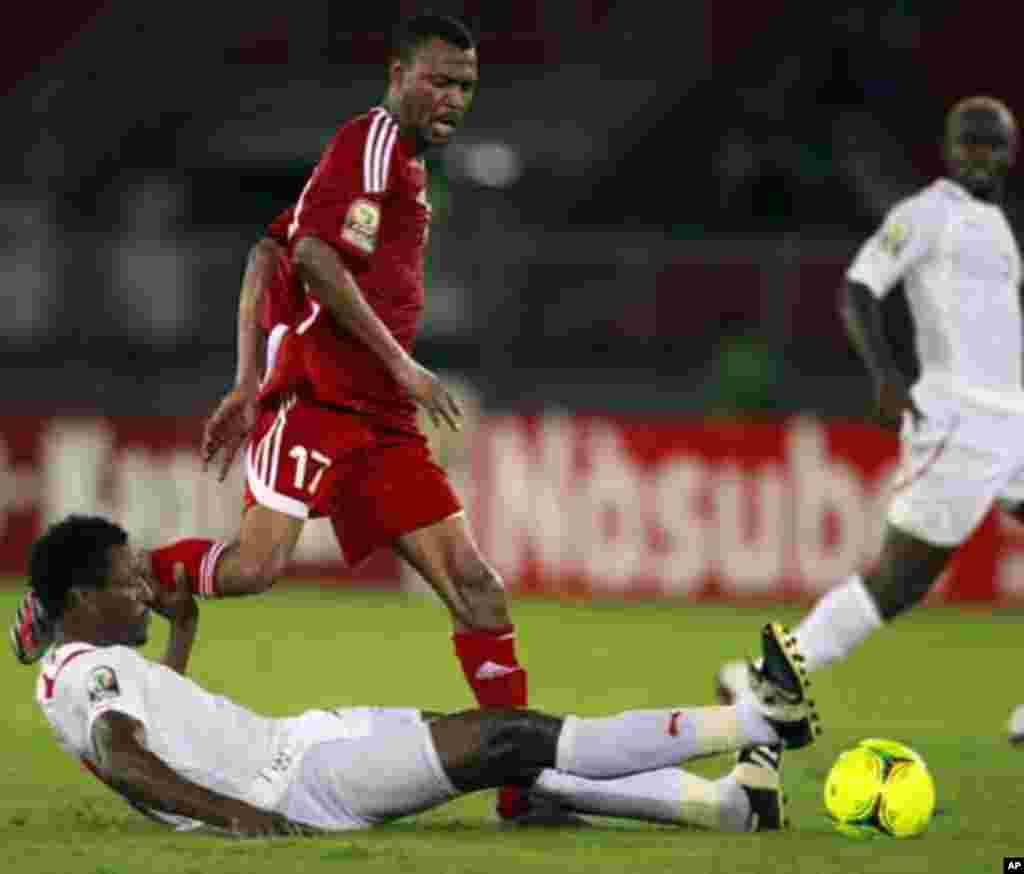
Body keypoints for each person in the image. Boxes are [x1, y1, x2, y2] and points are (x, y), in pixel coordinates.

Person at [13, 13, 550, 822]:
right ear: (397, 73)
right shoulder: (368, 146)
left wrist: (241, 380)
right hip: (319, 407)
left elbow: (268, 250)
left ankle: (522, 793)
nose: (452, 97)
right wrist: (381, 366)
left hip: (380, 423)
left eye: (465, 85)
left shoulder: (394, 162)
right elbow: (309, 258)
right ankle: (98, 587)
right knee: (253, 571)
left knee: (478, 589)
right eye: (437, 79)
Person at [31, 515, 821, 836]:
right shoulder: (81, 675)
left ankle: (732, 806)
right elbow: (124, 755)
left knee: (519, 768)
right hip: (299, 782)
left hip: (309, 738)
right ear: (82, 599)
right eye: (131, 581)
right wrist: (238, 816)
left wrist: (181, 641)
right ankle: (756, 721)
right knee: (515, 737)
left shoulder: (84, 661)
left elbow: (154, 729)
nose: (149, 590)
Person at [716, 96, 1024, 739]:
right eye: (970, 142)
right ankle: (769, 675)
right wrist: (886, 376)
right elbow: (859, 286)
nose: (981, 155)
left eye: (992, 145)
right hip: (960, 423)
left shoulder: (996, 227)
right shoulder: (925, 214)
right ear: (948, 148)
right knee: (902, 578)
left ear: (1009, 153)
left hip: (1013, 419)